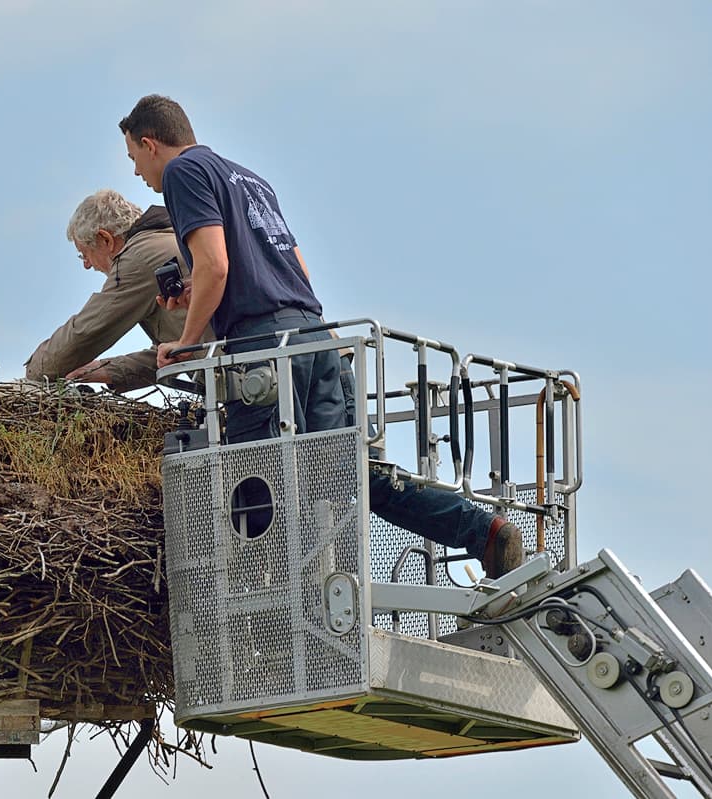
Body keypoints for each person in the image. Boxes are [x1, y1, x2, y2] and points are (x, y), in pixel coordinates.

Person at [118, 94, 522, 578]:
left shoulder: (183, 175)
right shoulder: (251, 180)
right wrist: (199, 293)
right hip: (317, 338)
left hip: (265, 352)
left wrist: (183, 343)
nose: (138, 173)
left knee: (260, 488)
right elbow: (294, 270)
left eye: (133, 159)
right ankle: (481, 531)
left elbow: (216, 264)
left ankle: (272, 609)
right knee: (349, 475)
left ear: (149, 144)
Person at [25, 189, 194, 392]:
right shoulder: (170, 240)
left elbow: (86, 332)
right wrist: (102, 369)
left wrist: (37, 370)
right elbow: (175, 352)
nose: (87, 265)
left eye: (84, 254)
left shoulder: (139, 257)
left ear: (106, 239)